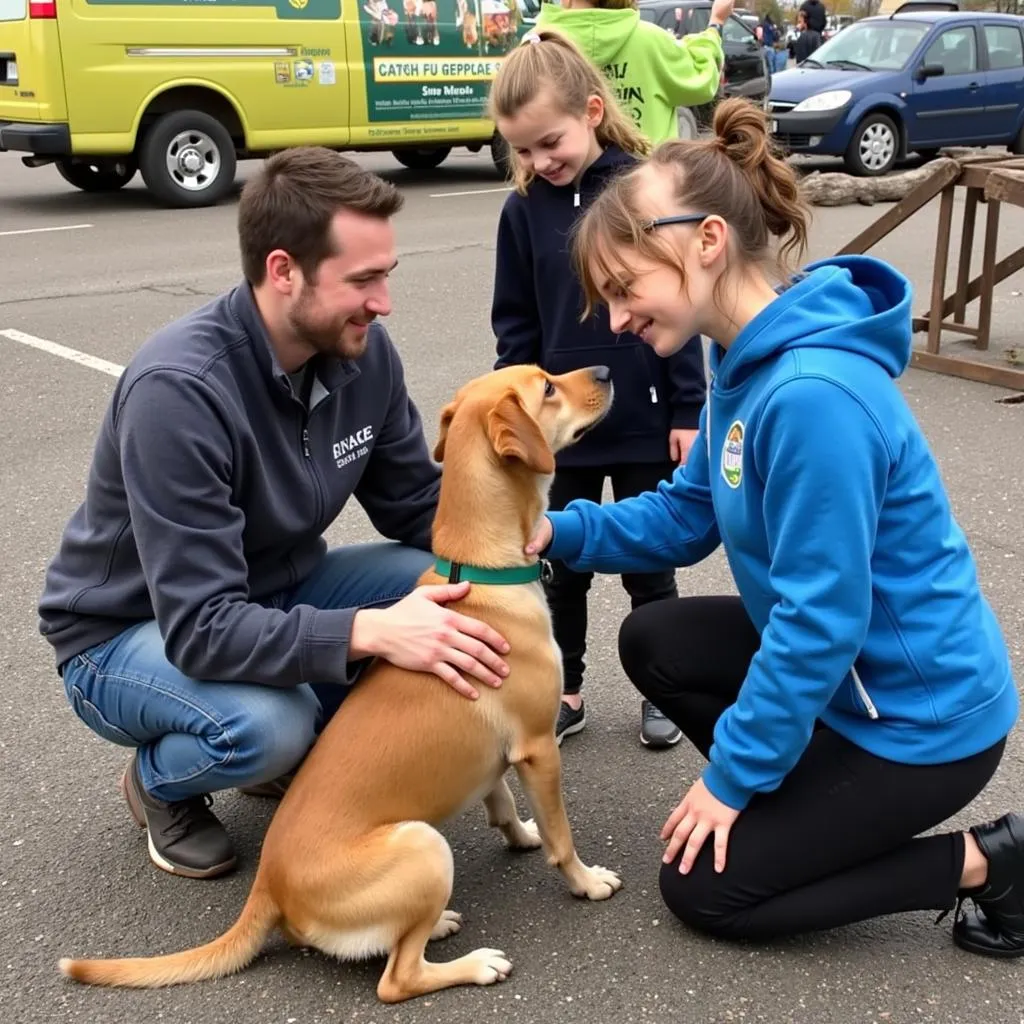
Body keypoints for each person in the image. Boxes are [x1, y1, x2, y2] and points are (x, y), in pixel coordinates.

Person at [522, 97, 1023, 957]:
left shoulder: (812, 398)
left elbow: (819, 621)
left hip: (920, 722)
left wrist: (730, 780)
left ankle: (990, 861)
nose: (613, 321)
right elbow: (685, 513)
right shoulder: (743, 359)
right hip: (851, 683)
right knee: (655, 639)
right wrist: (553, 533)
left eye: (622, 288)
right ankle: (801, 798)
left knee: (705, 892)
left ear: (706, 242)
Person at [38, 148, 512, 882]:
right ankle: (160, 783)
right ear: (283, 270)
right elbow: (202, 628)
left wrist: (520, 542)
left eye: (386, 275)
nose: (383, 301)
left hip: (272, 593)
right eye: (363, 280)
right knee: (271, 726)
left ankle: (282, 744)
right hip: (130, 632)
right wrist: (369, 631)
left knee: (444, 586)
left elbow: (415, 502)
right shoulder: (181, 392)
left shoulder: (361, 351)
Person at [488, 30, 707, 749]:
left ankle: (661, 692)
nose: (538, 161)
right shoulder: (522, 212)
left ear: (590, 110)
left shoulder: (642, 189)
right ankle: (567, 687)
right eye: (521, 150)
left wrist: (689, 408)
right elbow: (515, 328)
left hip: (647, 418)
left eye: (549, 141)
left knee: (650, 564)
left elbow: (682, 302)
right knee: (561, 567)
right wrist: (522, 419)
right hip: (563, 429)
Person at [532, 0, 732, 145]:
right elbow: (702, 78)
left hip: (567, 194)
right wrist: (715, 23)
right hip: (647, 188)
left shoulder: (537, 46)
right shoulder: (651, 40)